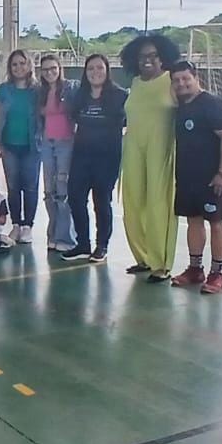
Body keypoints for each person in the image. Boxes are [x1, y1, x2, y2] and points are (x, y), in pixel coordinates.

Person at [168, 61, 222, 295]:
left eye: (185, 78)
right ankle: (195, 269)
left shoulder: (212, 104)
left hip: (214, 178)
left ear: (196, 77)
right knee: (194, 220)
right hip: (188, 177)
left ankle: (217, 274)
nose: (181, 83)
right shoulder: (181, 106)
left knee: (216, 222)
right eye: (176, 80)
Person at [120, 34, 181, 282]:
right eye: (143, 56)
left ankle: (161, 263)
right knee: (132, 202)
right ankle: (143, 257)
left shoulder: (171, 81)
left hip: (161, 148)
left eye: (153, 55)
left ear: (162, 57)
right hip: (134, 147)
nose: (148, 60)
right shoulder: (135, 83)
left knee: (158, 204)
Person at [61, 54, 128, 263]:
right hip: (82, 155)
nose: (95, 72)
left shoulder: (119, 95)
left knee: (101, 201)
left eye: (100, 68)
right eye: (91, 69)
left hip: (107, 157)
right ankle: (83, 243)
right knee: (75, 197)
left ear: (107, 70)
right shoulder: (80, 95)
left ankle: (102, 245)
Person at [0, 49, 40, 244]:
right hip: (9, 146)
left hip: (32, 147)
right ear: (10, 68)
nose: (19, 67)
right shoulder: (4, 90)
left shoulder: (37, 90)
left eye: (22, 63)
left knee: (31, 187)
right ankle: (16, 224)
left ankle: (28, 226)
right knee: (13, 186)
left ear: (29, 65)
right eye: (15, 64)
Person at [37, 53, 78, 252]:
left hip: (66, 144)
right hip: (46, 144)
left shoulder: (70, 88)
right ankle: (52, 235)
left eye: (53, 68)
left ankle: (67, 238)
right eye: (45, 70)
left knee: (63, 193)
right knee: (49, 193)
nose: (50, 72)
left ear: (60, 69)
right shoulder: (41, 92)